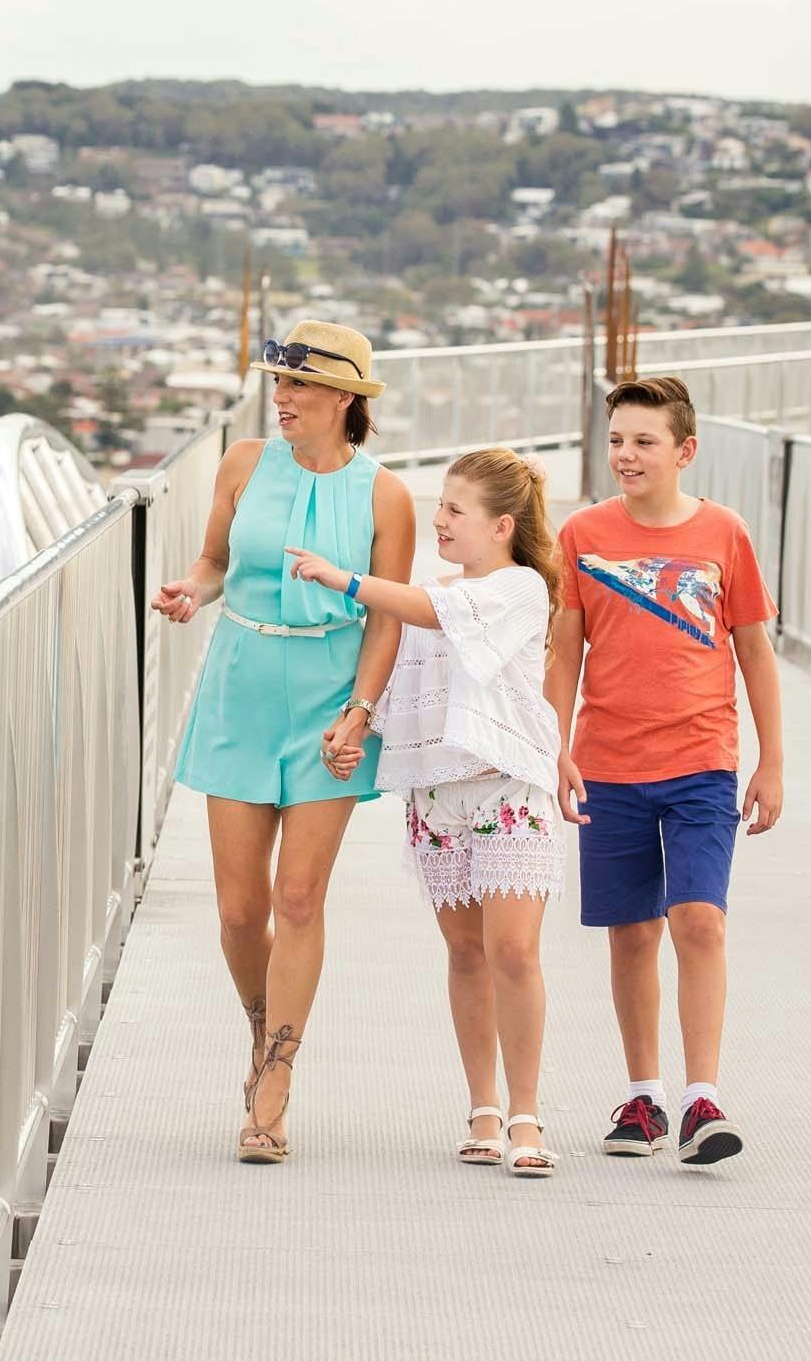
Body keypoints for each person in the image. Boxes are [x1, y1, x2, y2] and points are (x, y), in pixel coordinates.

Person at [153, 320, 414, 1165]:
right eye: (278, 382)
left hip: (330, 704)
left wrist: (362, 709)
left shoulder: (386, 495)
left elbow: (387, 612)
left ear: (345, 398)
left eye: (299, 386)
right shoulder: (242, 463)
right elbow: (212, 561)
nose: (282, 396)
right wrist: (191, 591)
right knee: (238, 910)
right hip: (241, 686)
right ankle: (265, 1022)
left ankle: (275, 1079)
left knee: (299, 898)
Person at [288, 447, 570, 1177]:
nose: (438, 520)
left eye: (454, 510)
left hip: (508, 790)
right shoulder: (431, 594)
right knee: (467, 951)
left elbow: (428, 611)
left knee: (514, 950)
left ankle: (527, 1112)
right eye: (438, 505)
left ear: (502, 525)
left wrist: (342, 576)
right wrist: (355, 727)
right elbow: (394, 672)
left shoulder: (520, 589)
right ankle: (482, 1107)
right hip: (438, 796)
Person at [546, 376, 784, 1167]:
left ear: (684, 450)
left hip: (703, 764)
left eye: (644, 441)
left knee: (699, 920)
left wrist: (771, 760)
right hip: (609, 762)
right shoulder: (581, 533)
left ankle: (701, 1098)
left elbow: (754, 648)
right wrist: (554, 744)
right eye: (617, 439)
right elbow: (565, 648)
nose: (627, 455)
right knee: (631, 934)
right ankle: (643, 1095)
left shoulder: (723, 533)